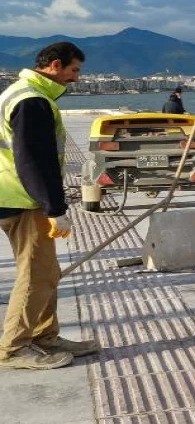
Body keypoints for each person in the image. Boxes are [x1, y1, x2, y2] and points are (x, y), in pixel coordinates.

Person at [0, 42, 100, 369]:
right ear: (55, 65)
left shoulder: (22, 92)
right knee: (36, 274)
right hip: (23, 199)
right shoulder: (32, 100)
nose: (76, 78)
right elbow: (33, 161)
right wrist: (54, 208)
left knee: (47, 272)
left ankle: (45, 336)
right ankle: (14, 347)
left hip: (18, 194)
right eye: (74, 70)